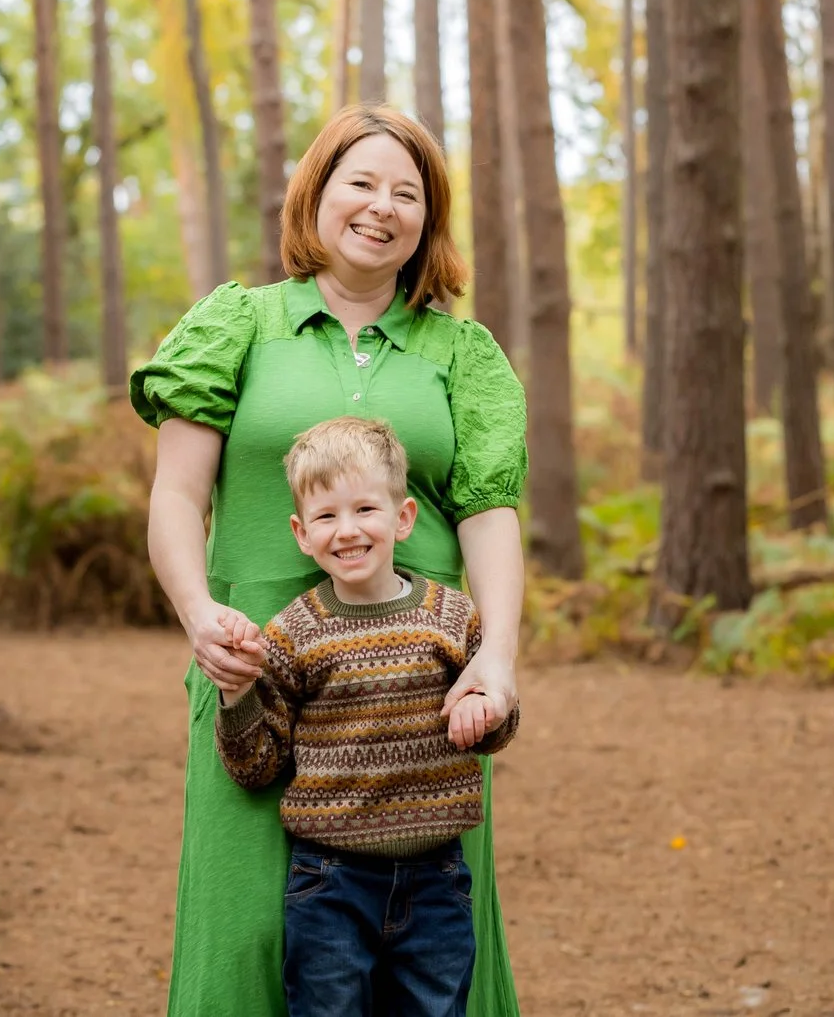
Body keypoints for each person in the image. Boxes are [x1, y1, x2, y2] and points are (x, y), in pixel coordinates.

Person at [133, 103, 528, 1017]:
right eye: (362, 181)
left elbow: (489, 514)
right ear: (316, 192)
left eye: (408, 193)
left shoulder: (460, 353)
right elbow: (176, 496)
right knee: (248, 935)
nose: (382, 206)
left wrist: (495, 656)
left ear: (428, 221)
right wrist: (201, 620)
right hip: (253, 676)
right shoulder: (238, 323)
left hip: (419, 691)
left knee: (428, 959)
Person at [214, 417, 519, 1017]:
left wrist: (486, 709)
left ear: (402, 518)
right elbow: (256, 767)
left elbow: (502, 726)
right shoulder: (294, 633)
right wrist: (237, 692)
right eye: (327, 517)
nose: (347, 531)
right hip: (329, 883)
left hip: (438, 879)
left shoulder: (452, 618)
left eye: (364, 510)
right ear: (301, 534)